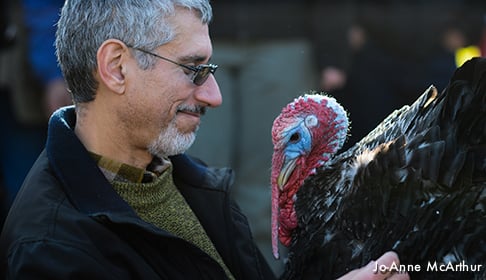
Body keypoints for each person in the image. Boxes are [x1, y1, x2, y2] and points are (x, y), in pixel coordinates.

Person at [0, 1, 407, 279]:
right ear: (117, 68)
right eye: (192, 68)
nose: (215, 96)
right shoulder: (53, 250)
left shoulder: (199, 189)